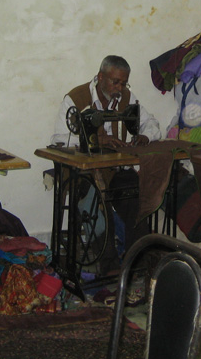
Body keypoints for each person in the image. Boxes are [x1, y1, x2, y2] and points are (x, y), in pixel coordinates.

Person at [51, 55, 161, 273]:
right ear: (101, 77)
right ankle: (108, 267)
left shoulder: (127, 98)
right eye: (115, 82)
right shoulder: (76, 98)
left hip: (114, 170)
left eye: (123, 82)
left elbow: (152, 123)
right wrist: (97, 140)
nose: (120, 88)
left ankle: (136, 265)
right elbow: (59, 139)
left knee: (137, 194)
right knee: (95, 201)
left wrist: (145, 136)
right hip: (82, 171)